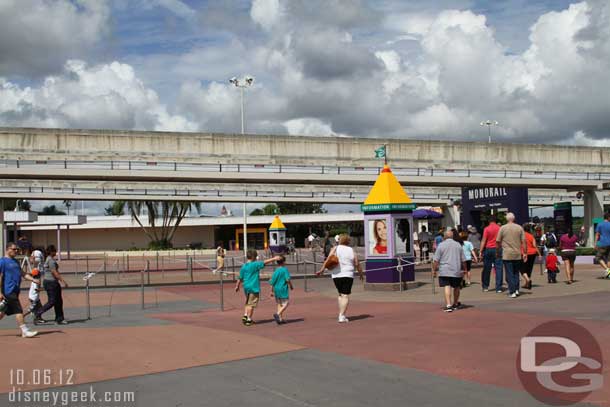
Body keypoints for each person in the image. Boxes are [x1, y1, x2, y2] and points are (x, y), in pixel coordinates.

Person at [316, 234, 364, 323]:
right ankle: (341, 315)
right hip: (348, 274)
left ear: (340, 240)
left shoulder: (335, 248)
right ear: (348, 241)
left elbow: (328, 259)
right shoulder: (351, 250)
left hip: (336, 275)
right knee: (345, 295)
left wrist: (321, 270)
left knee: (340, 294)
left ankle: (341, 313)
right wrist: (360, 273)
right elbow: (357, 263)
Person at [0, 242, 39, 338]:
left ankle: (24, 331)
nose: (16, 251)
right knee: (19, 310)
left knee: (3, 312)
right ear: (8, 249)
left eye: (17, 249)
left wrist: (33, 279)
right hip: (8, 290)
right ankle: (25, 331)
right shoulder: (2, 261)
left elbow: (23, 273)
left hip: (15, 290)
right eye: (14, 249)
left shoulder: (16, 261)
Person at [234, 250, 281, 326]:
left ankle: (245, 315)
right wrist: (274, 258)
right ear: (253, 257)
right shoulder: (255, 264)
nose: (256, 258)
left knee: (248, 301)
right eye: (256, 257)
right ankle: (249, 319)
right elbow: (264, 262)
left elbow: (240, 277)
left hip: (246, 286)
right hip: (253, 287)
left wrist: (237, 286)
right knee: (251, 304)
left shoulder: (244, 266)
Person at [432, 230, 466, 312]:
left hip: (445, 270)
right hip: (456, 269)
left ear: (445, 236)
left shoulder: (441, 245)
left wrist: (434, 270)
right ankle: (455, 303)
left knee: (447, 286)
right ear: (452, 236)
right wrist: (465, 269)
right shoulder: (458, 245)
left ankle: (448, 305)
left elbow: (436, 260)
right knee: (456, 287)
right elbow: (463, 259)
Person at [496, 213, 527, 298]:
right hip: (517, 254)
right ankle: (516, 289)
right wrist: (525, 253)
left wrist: (498, 251)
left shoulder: (502, 228)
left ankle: (512, 291)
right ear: (514, 218)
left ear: (507, 219)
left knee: (509, 273)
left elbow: (498, 241)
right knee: (516, 272)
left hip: (507, 254)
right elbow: (524, 241)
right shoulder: (519, 228)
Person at [36, 245, 69, 324]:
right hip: (51, 282)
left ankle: (59, 318)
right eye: (55, 251)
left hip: (51, 282)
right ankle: (38, 313)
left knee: (58, 301)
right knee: (52, 301)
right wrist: (63, 281)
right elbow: (54, 272)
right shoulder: (51, 261)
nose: (56, 252)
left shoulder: (48, 259)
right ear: (51, 252)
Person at [479, 216, 503, 292]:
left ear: (489, 221)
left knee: (487, 268)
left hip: (488, 249)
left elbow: (483, 240)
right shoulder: (500, 228)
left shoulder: (486, 229)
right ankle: (498, 287)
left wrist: (480, 251)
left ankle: (485, 286)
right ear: (495, 221)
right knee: (499, 268)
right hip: (498, 249)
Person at [269, 255, 293, 324]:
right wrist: (291, 286)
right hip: (283, 288)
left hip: (276, 289)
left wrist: (271, 291)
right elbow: (287, 279)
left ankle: (280, 319)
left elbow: (272, 282)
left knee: (279, 303)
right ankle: (278, 314)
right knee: (286, 303)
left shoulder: (276, 271)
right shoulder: (284, 270)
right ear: (284, 262)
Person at [521, 224, 542, 290]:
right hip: (532, 253)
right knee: (529, 269)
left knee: (522, 269)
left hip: (524, 253)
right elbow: (535, 246)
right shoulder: (531, 236)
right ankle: (527, 284)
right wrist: (539, 254)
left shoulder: (521, 235)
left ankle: (528, 280)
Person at [594, 212, 610, 278]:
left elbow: (597, 235)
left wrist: (595, 243)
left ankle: (607, 270)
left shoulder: (600, 224)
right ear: (608, 218)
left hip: (603, 244)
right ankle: (609, 274)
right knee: (609, 259)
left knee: (598, 258)